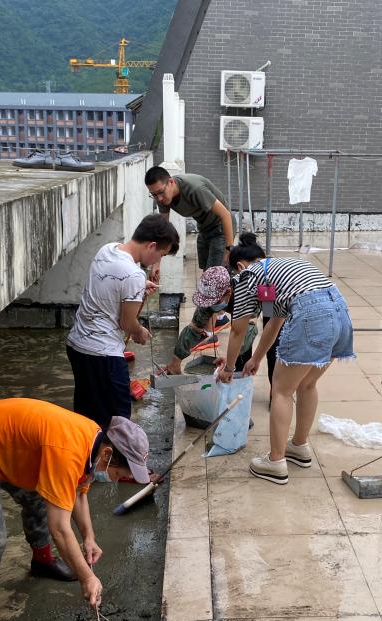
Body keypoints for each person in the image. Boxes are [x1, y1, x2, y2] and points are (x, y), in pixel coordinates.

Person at [0, 398, 153, 621]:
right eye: (120, 473)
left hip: (4, 449)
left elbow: (78, 493)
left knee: (41, 497)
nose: (118, 479)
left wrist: (89, 537)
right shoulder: (68, 451)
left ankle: (42, 562)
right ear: (108, 454)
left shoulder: (93, 445)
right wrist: (87, 577)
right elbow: (60, 529)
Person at [218, 234, 354, 484]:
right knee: (307, 384)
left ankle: (276, 461)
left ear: (239, 265)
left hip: (312, 314)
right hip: (340, 313)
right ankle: (299, 447)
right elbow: (274, 322)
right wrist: (256, 358)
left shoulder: (247, 276)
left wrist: (229, 367)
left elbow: (238, 329)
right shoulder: (276, 272)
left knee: (281, 391)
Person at [66, 214, 179, 430]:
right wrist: (140, 331)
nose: (157, 261)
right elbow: (127, 324)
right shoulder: (134, 275)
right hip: (103, 355)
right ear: (151, 245)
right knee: (119, 423)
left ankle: (86, 452)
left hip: (77, 346)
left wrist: (138, 287)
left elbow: (111, 283)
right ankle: (114, 453)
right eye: (160, 255)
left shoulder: (107, 249)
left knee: (86, 419)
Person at [163, 266, 258, 376]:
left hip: (270, 303)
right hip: (232, 299)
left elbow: (246, 331)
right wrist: (176, 361)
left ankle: (240, 374)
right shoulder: (210, 292)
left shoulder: (246, 296)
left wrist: (229, 363)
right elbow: (194, 328)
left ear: (228, 292)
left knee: (261, 350)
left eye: (214, 302)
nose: (210, 305)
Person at [145, 166, 235, 272]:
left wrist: (229, 249)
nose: (159, 198)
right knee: (207, 273)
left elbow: (225, 215)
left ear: (171, 182)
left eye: (161, 192)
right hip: (204, 228)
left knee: (215, 273)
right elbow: (163, 231)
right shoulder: (161, 198)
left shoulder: (195, 188)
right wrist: (156, 264)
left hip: (222, 227)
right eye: (154, 195)